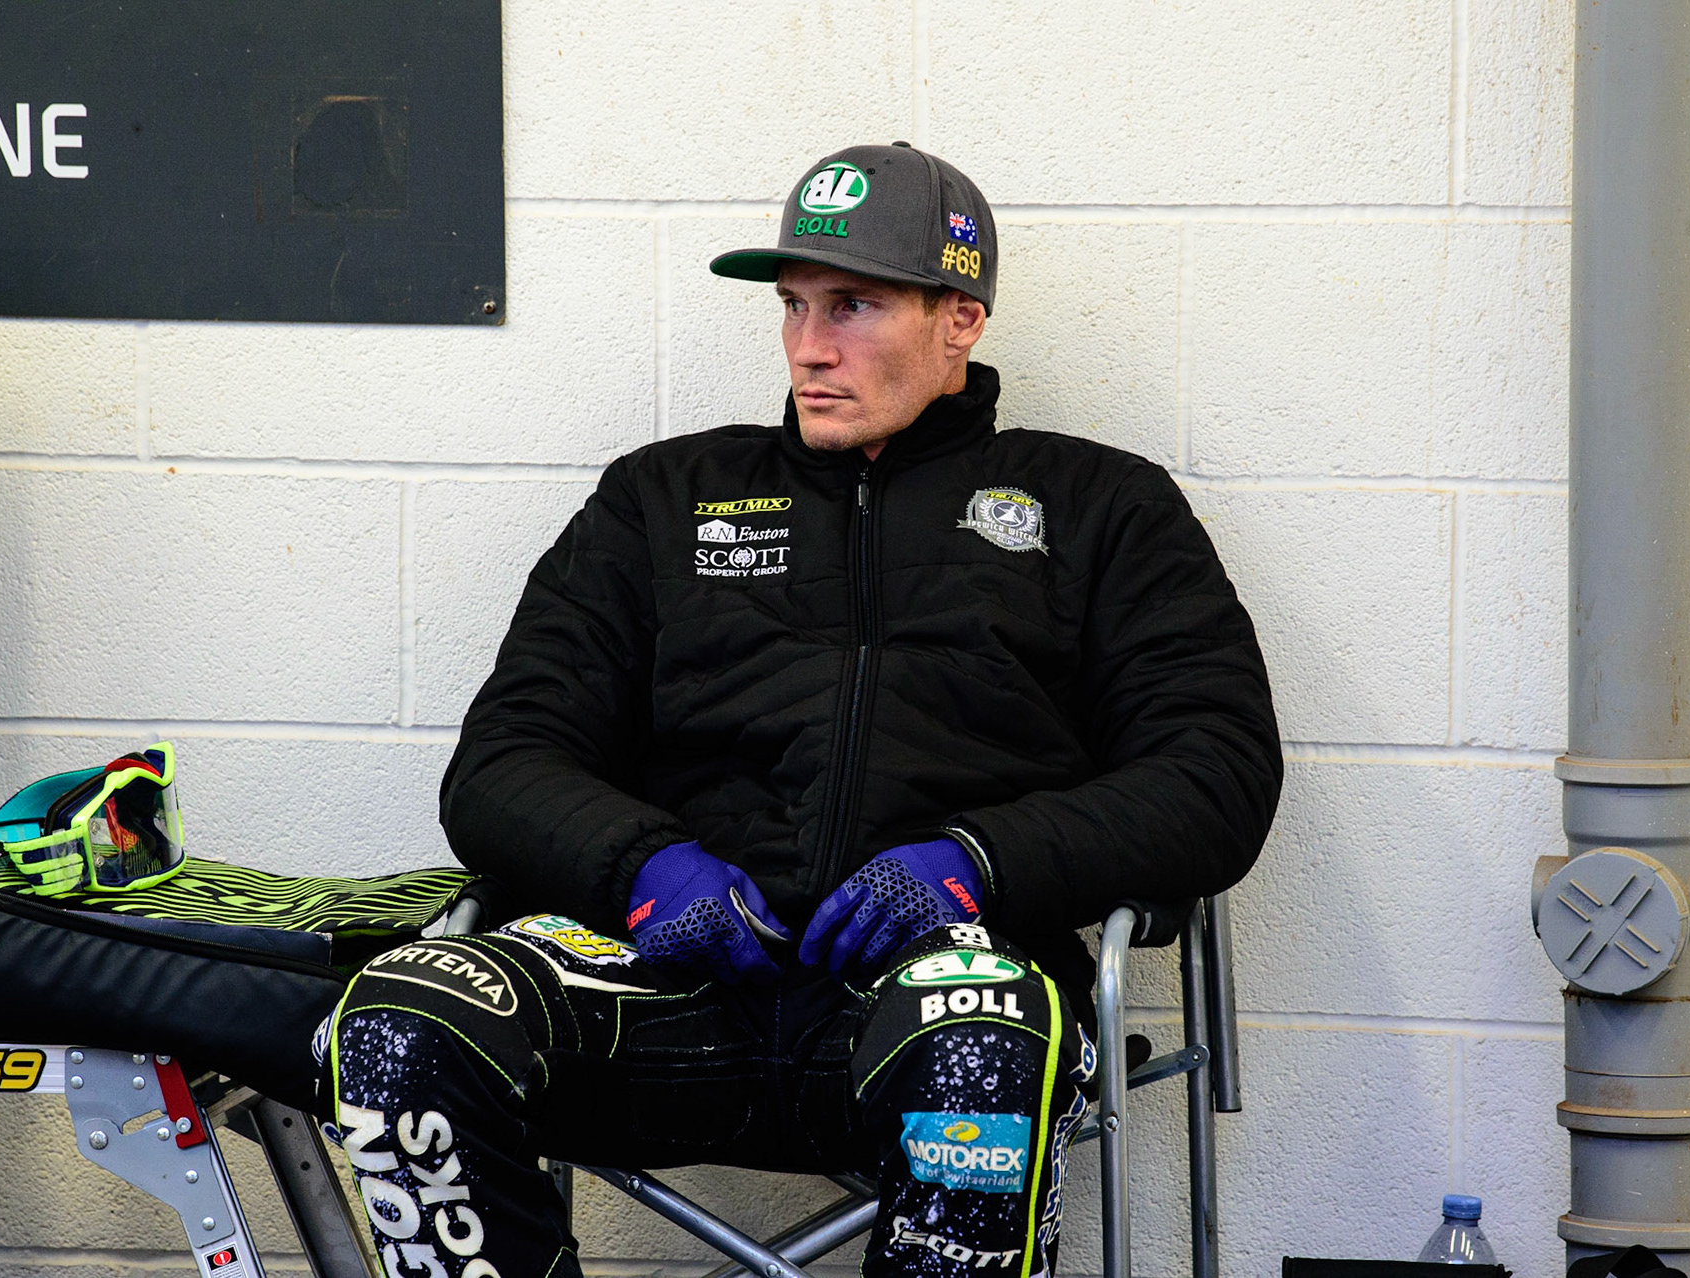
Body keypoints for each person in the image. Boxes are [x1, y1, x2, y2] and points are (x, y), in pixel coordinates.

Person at [327, 142, 1281, 1278]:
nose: (807, 347)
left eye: (854, 306)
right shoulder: (660, 500)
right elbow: (500, 765)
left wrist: (977, 861)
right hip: (666, 987)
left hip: (940, 993)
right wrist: (642, 870)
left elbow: (1216, 773)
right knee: (395, 1021)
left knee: (985, 1054)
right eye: (792, 307)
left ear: (960, 318)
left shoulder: (1100, 506)